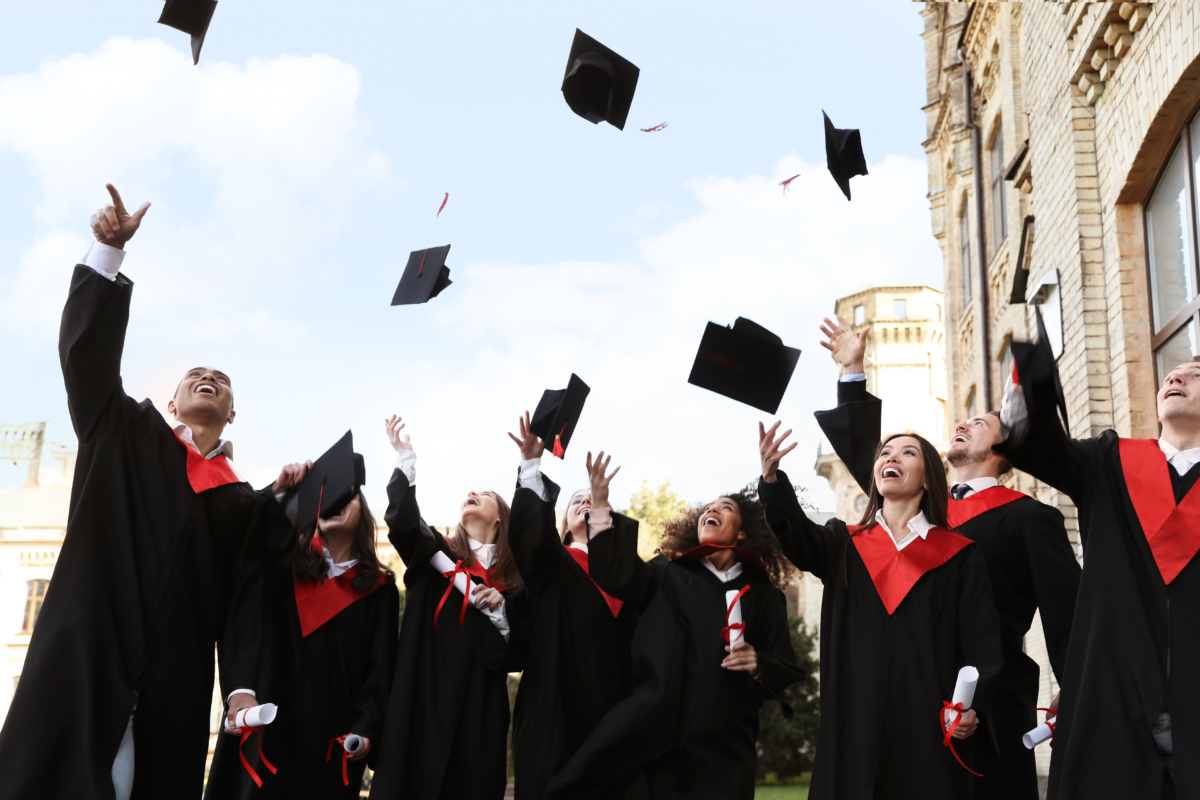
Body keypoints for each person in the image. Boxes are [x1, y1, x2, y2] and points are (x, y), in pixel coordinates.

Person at [0, 184, 298, 800]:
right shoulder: (125, 431)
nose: (207, 376)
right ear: (172, 403)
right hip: (85, 654)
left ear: (233, 414)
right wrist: (106, 253)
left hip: (173, 682)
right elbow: (86, 357)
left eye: (221, 379)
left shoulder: (239, 503)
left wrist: (239, 684)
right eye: (195, 374)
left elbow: (244, 602)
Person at [816, 316, 1081, 799]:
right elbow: (868, 456)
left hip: (990, 700)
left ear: (1005, 451)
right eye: (963, 419)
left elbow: (1068, 612)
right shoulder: (917, 507)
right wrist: (852, 371)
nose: (963, 423)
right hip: (911, 692)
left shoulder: (1029, 518)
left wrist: (1079, 684)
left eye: (979, 424)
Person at [995, 324, 1200, 799]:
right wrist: (1035, 376)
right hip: (1113, 696)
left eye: (1195, 374)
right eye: (1172, 374)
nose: (1177, 377)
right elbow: (1037, 445)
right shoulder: (1110, 461)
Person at [757, 418, 1003, 799]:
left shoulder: (958, 557)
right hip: (853, 727)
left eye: (908, 452)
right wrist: (772, 481)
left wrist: (973, 708)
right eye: (885, 452)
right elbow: (799, 538)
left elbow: (982, 648)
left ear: (927, 479)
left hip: (926, 733)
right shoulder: (844, 544)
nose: (892, 457)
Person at [546, 478, 804, 800]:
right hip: (655, 740)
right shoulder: (666, 576)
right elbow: (617, 572)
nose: (712, 509)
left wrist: (758, 663)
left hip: (725, 748)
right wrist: (599, 506)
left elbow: (783, 664)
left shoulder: (764, 597)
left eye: (725, 507)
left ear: (742, 531)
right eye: (708, 507)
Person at [205, 459, 400, 799]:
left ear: (364, 512)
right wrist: (285, 496)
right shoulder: (284, 568)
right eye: (326, 497)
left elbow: (380, 669)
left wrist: (366, 728)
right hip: (269, 726)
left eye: (347, 497)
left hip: (329, 739)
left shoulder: (379, 590)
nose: (335, 502)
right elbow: (251, 542)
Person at [368, 415, 523, 800]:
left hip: (479, 718)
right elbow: (403, 523)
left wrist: (502, 614)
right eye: (469, 493)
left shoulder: (515, 586)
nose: (472, 492)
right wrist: (406, 458)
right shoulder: (434, 553)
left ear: (501, 517)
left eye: (484, 494)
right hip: (419, 701)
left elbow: (520, 653)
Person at [504, 411, 641, 800]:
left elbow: (616, 568)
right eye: (576, 501)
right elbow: (532, 539)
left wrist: (601, 501)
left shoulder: (624, 576)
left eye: (591, 502)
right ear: (563, 525)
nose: (584, 503)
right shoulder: (554, 566)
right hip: (555, 707)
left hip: (613, 708)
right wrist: (531, 464)